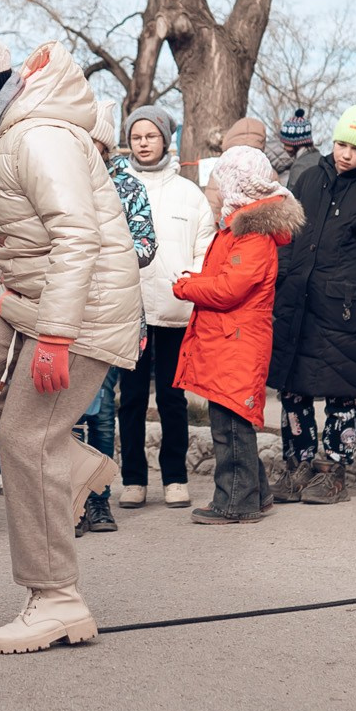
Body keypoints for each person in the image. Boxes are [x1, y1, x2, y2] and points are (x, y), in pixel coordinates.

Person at [0, 18, 142, 653]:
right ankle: (70, 464)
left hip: (84, 310)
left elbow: (77, 236)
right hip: (27, 299)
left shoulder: (38, 137)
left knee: (25, 440)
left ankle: (57, 599)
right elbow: (3, 245)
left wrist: (57, 338)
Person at [267, 102, 356, 502]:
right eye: (342, 144)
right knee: (293, 390)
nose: (345, 154)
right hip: (297, 304)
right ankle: (298, 465)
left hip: (345, 311)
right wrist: (281, 284)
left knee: (343, 391)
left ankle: (333, 471)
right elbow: (286, 237)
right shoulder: (308, 179)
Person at [175, 147, 302, 524]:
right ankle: (256, 494)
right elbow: (224, 278)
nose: (214, 190)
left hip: (237, 342)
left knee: (230, 427)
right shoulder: (239, 228)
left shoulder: (252, 235)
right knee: (233, 421)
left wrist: (188, 287)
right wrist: (196, 280)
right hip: (230, 340)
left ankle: (235, 502)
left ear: (237, 185)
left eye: (219, 182)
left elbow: (230, 288)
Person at [118, 103, 213, 507]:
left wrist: (189, 281)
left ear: (166, 140)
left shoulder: (189, 194)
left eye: (151, 136)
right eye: (136, 137)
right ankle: (133, 479)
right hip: (129, 310)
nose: (143, 143)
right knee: (131, 398)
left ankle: (175, 477)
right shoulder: (116, 189)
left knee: (173, 399)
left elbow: (204, 247)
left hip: (177, 309)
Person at [74, 101, 156, 534]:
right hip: (66, 312)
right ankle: (70, 500)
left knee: (102, 410)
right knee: (66, 414)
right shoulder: (61, 180)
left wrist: (97, 256)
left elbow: (146, 245)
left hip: (111, 312)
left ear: (105, 146)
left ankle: (98, 499)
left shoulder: (128, 187)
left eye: (92, 141)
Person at [273, 107, 322, 191]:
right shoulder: (320, 158)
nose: (284, 148)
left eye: (286, 143)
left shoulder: (299, 166)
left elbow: (293, 196)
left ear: (296, 143)